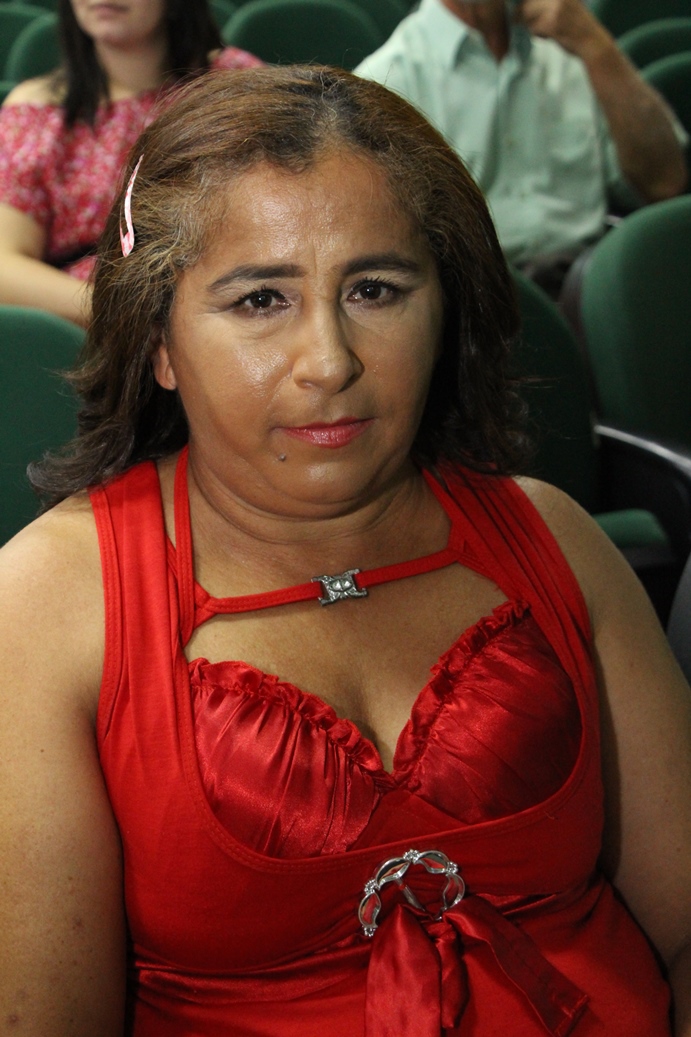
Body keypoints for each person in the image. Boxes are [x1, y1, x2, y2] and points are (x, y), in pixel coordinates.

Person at [1, 65, 691, 1037]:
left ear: (443, 307)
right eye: (259, 300)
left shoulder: (555, 537)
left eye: (374, 289)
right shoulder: (48, 603)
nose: (330, 361)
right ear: (158, 341)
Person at [355, 0, 688, 292]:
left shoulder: (572, 49)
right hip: (481, 303)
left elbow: (665, 183)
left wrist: (595, 46)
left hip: (589, 284)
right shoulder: (385, 84)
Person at [0, 0, 262, 327]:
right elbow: (5, 265)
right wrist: (128, 317)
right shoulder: (37, 111)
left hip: (223, 307)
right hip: (89, 322)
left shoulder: (238, 85)